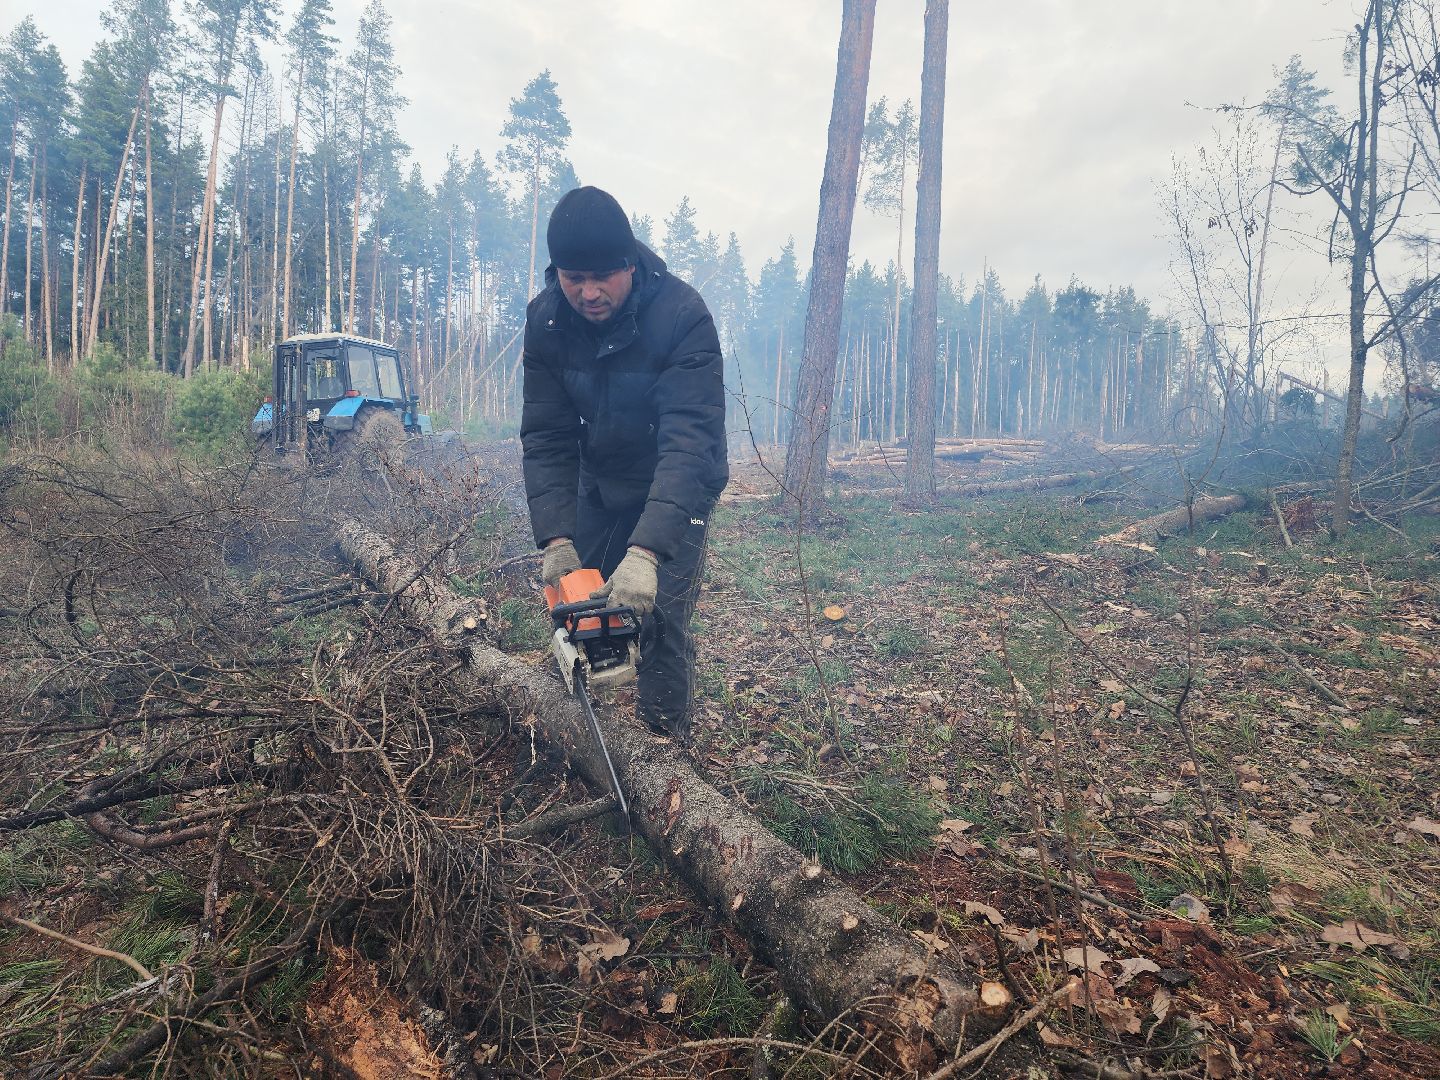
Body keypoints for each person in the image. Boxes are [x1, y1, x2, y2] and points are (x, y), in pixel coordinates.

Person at [520, 186, 728, 746]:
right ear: (557, 272)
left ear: (630, 264)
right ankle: (575, 728)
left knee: (656, 611)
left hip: (676, 477)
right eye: (573, 278)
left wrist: (646, 554)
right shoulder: (546, 323)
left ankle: (664, 744)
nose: (588, 293)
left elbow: (689, 445)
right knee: (576, 598)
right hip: (600, 474)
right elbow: (547, 437)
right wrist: (555, 538)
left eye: (603, 277)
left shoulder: (683, 316)